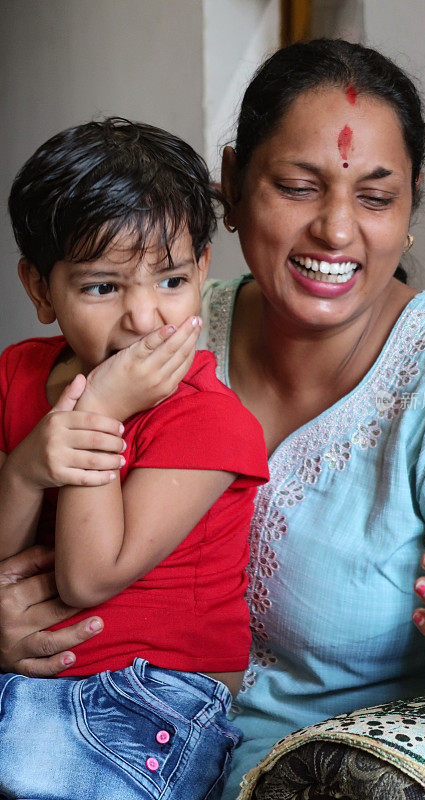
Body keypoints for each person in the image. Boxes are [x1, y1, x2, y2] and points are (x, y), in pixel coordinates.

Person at [1, 40, 425, 800]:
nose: (337, 231)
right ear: (232, 184)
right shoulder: (158, 324)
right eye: (296, 186)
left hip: (317, 772)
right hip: (73, 714)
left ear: (410, 208)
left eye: (376, 199)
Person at [0, 118, 269, 800]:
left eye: (171, 280)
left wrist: (96, 415)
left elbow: (90, 579)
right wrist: (27, 468)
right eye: (102, 287)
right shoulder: (16, 376)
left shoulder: (209, 420)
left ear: (203, 272)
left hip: (152, 702)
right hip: (23, 680)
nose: (144, 318)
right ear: (39, 289)